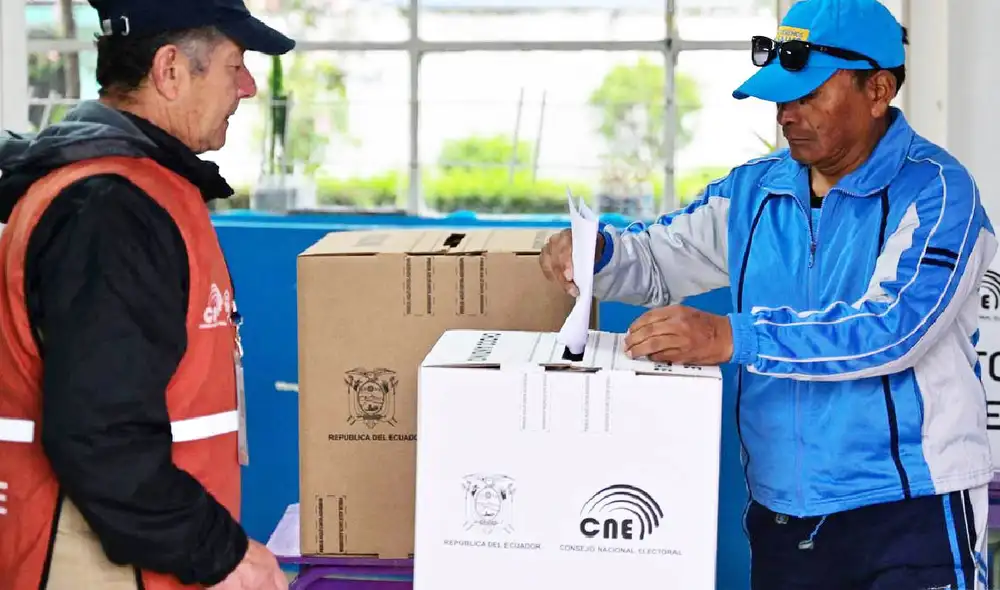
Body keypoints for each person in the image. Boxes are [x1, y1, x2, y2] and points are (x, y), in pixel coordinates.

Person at [541, 0, 995, 588]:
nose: (787, 115)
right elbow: (655, 258)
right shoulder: (754, 191)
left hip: (908, 508)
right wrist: (597, 254)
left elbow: (893, 327)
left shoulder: (937, 191)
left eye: (808, 96)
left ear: (878, 90)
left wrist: (733, 336)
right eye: (781, 99)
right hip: (783, 510)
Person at [0, 1, 295, 589]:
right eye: (234, 64)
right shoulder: (109, 210)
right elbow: (100, 433)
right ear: (170, 70)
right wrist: (221, 553)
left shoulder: (136, 190)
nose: (248, 87)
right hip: (90, 566)